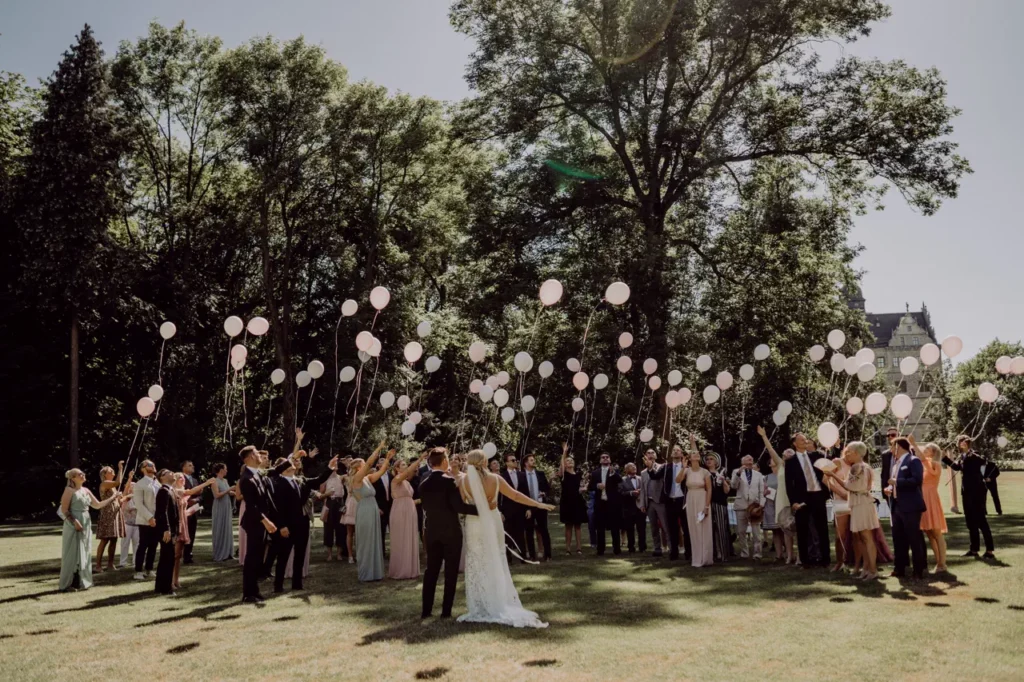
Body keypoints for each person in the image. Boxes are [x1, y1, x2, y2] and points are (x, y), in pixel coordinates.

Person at [456, 449, 552, 628]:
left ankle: (481, 603)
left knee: (477, 561)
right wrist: (537, 504)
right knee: (496, 559)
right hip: (492, 520)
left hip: (474, 524)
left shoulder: (463, 481)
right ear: (484, 462)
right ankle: (499, 599)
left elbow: (462, 503)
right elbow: (515, 496)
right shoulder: (495, 479)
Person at [269, 433, 337, 592]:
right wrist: (282, 526)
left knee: (300, 554)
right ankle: (278, 586)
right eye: (292, 462)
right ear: (285, 468)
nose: (296, 464)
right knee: (284, 555)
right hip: (287, 524)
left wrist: (330, 467)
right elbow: (277, 507)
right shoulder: (278, 483)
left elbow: (319, 480)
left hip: (302, 522)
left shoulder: (302, 480)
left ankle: (297, 584)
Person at [419, 447, 478, 618]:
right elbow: (459, 507)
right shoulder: (448, 481)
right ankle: (446, 612)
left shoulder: (423, 482)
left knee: (431, 571)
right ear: (444, 461)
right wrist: (480, 509)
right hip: (451, 532)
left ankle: (426, 611)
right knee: (450, 572)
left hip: (431, 532)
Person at [824, 441, 879, 580]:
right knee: (864, 537)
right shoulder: (866, 466)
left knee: (866, 538)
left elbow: (849, 486)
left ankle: (872, 570)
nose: (846, 453)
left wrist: (833, 475)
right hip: (863, 501)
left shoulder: (856, 467)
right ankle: (866, 569)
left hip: (860, 503)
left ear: (855, 453)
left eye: (849, 451)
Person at [59, 469, 121, 591]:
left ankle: (82, 581)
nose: (83, 475)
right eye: (80, 474)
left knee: (85, 550)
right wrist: (74, 521)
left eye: (83, 473)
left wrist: (114, 496)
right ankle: (67, 584)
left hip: (86, 522)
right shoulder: (69, 490)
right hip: (73, 523)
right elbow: (64, 509)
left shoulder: (86, 490)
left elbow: (97, 505)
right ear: (73, 478)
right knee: (72, 552)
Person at [238, 445, 279, 604]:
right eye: (256, 453)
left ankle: (255, 590)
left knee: (257, 558)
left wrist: (294, 455)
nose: (260, 455)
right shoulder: (246, 478)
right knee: (252, 558)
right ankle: (248, 594)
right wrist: (266, 521)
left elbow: (276, 470)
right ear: (249, 458)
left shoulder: (258, 474)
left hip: (260, 522)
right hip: (255, 522)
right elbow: (252, 506)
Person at [349, 441, 395, 582]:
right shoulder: (357, 479)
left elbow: (381, 472)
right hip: (364, 511)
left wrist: (387, 459)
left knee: (374, 540)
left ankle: (375, 573)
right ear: (358, 468)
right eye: (363, 463)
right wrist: (379, 448)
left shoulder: (368, 478)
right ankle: (365, 573)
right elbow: (370, 463)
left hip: (373, 510)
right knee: (366, 541)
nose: (366, 465)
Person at [943, 436, 995, 559]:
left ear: (968, 443)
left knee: (981, 521)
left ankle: (990, 550)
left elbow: (983, 461)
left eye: (964, 441)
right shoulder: (962, 457)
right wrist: (944, 458)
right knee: (970, 522)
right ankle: (974, 549)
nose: (962, 443)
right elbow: (957, 467)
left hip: (977, 492)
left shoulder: (974, 455)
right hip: (966, 493)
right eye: (960, 441)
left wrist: (971, 453)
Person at [784, 432, 830, 568]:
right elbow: (789, 484)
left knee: (822, 528)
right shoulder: (790, 462)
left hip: (817, 495)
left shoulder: (816, 456)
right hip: (802, 498)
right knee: (803, 530)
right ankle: (805, 561)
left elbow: (829, 466)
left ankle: (825, 559)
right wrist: (793, 502)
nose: (805, 441)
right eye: (802, 440)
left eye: (806, 439)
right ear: (795, 443)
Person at [886, 437, 927, 580]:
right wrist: (890, 488)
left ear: (899, 446)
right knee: (898, 538)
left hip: (910, 506)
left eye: (892, 447)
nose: (891, 450)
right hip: (897, 505)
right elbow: (895, 482)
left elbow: (917, 480)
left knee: (913, 538)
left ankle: (918, 570)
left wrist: (897, 482)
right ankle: (900, 568)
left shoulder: (913, 460)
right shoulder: (896, 464)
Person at [758, 426, 796, 564]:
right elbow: (770, 450)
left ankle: (796, 555)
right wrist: (764, 436)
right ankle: (788, 556)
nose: (787, 455)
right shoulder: (780, 465)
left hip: (793, 499)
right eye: (785, 453)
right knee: (784, 529)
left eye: (790, 453)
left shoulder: (798, 466)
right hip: (781, 499)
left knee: (794, 529)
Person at [911, 437, 947, 573]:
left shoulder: (935, 464)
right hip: (922, 499)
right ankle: (939, 563)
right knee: (929, 534)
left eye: (927, 449)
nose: (924, 450)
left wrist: (914, 443)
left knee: (937, 533)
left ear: (933, 453)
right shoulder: (922, 463)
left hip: (931, 500)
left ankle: (942, 563)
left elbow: (923, 459)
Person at [389, 452, 427, 579]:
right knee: (401, 537)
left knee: (411, 536)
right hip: (400, 510)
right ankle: (400, 569)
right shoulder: (396, 480)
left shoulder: (406, 482)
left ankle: (410, 569)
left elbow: (410, 498)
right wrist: (420, 458)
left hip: (410, 510)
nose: (406, 466)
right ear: (397, 468)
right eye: (403, 465)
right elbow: (409, 471)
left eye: (406, 464)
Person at [171, 472, 212, 590]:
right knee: (175, 555)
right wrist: (206, 483)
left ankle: (176, 580)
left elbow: (185, 507)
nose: (182, 479)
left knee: (178, 556)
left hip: (183, 522)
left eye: (183, 478)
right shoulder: (175, 491)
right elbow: (190, 492)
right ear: (174, 479)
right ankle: (170, 581)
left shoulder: (181, 492)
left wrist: (193, 510)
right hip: (176, 524)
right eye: (180, 478)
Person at [678, 434, 712, 568]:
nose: (696, 455)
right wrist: (683, 467)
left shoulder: (705, 472)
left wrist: (707, 506)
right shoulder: (686, 471)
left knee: (703, 527)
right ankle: (696, 558)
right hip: (691, 500)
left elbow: (709, 489)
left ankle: (706, 557)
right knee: (693, 528)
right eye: (693, 454)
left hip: (702, 499)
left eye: (697, 453)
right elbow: (677, 481)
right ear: (689, 458)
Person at [94, 461, 126, 573]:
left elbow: (117, 499)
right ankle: (98, 566)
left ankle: (110, 564)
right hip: (107, 513)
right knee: (105, 539)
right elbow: (118, 482)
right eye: (110, 471)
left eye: (113, 471)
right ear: (104, 474)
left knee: (114, 539)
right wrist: (120, 468)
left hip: (115, 513)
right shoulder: (105, 483)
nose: (113, 472)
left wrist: (123, 497)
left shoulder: (112, 486)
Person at [588, 452, 623, 555]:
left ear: (610, 460)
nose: (605, 459)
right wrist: (597, 486)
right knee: (600, 527)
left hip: (612, 503)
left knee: (615, 527)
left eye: (607, 457)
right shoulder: (595, 473)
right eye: (603, 457)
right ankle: (600, 550)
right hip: (600, 503)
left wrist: (613, 473)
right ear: (600, 460)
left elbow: (620, 481)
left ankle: (616, 549)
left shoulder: (614, 471)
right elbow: (590, 487)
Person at [153, 469, 181, 595]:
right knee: (168, 558)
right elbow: (161, 512)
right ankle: (166, 588)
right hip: (166, 530)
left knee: (167, 557)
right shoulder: (163, 491)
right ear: (162, 477)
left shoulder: (171, 490)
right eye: (169, 472)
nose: (172, 473)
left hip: (172, 530)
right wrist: (166, 529)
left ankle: (161, 587)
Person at [557, 444, 587, 555]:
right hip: (566, 502)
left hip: (577, 501)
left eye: (571, 460)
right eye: (567, 461)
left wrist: (584, 488)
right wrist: (564, 452)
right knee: (568, 525)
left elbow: (582, 486)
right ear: (565, 463)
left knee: (578, 526)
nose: (570, 462)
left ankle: (579, 548)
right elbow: (561, 466)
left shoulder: (579, 474)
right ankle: (568, 548)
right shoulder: (563, 474)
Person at [499, 453, 529, 560]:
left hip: (520, 509)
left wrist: (528, 508)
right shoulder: (502, 476)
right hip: (507, 509)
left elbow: (526, 492)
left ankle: (523, 556)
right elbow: (499, 495)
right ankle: (508, 558)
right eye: (512, 460)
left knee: (521, 533)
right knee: (508, 534)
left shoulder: (522, 475)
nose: (515, 461)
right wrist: (500, 512)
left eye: (515, 460)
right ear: (507, 463)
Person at [133, 459, 160, 580]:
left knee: (153, 545)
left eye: (153, 464)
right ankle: (138, 571)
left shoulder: (157, 483)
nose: (153, 466)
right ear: (143, 468)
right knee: (143, 545)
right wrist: (149, 517)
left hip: (157, 519)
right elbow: (138, 504)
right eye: (149, 465)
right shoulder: (140, 484)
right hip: (144, 520)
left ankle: (149, 569)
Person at [522, 453, 551, 561]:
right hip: (528, 507)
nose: (533, 461)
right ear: (526, 463)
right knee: (529, 531)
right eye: (531, 460)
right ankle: (532, 556)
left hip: (540, 505)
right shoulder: (521, 475)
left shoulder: (540, 474)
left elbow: (547, 488)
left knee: (544, 530)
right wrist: (526, 507)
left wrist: (544, 493)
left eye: (534, 460)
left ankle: (548, 554)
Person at [825, 454, 852, 571]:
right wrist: (840, 493)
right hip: (840, 501)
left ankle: (855, 561)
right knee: (840, 534)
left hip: (856, 501)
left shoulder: (857, 464)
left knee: (857, 533)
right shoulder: (837, 461)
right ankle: (839, 561)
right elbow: (824, 479)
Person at [640, 449, 668, 557]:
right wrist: (642, 504)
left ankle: (671, 547)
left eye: (652, 453)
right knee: (653, 527)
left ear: (655, 455)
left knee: (665, 526)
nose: (650, 455)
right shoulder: (643, 472)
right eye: (648, 453)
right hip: (649, 502)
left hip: (660, 501)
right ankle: (657, 548)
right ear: (645, 456)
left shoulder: (662, 468)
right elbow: (642, 489)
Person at [320, 459, 348, 562]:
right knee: (329, 528)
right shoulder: (324, 479)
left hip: (340, 503)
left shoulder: (341, 478)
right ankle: (329, 554)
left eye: (335, 464)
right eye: (332, 464)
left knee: (341, 528)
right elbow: (320, 495)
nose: (335, 466)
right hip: (329, 503)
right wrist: (326, 494)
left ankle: (339, 554)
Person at [210, 463, 236, 562]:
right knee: (220, 526)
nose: (227, 471)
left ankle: (228, 552)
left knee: (227, 526)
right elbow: (217, 495)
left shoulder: (225, 480)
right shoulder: (214, 481)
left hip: (226, 505)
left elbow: (229, 492)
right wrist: (229, 489)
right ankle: (220, 553)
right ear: (221, 470)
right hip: (219, 506)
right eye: (225, 469)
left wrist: (237, 492)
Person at [618, 463, 646, 553]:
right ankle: (631, 547)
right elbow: (620, 493)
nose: (634, 467)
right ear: (626, 470)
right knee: (630, 529)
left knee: (641, 528)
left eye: (634, 466)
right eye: (631, 466)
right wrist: (631, 493)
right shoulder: (622, 480)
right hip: (628, 508)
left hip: (640, 507)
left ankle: (642, 547)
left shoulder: (641, 479)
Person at [372, 448, 394, 556]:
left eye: (385, 461)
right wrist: (377, 507)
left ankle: (394, 552)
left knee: (394, 530)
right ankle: (381, 552)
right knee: (380, 531)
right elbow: (372, 494)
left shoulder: (391, 476)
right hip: (380, 507)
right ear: (378, 465)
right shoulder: (374, 477)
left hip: (391, 506)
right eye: (381, 461)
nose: (384, 462)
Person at [181, 460, 200, 564]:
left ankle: (188, 554)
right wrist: (188, 501)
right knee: (184, 531)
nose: (192, 466)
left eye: (192, 465)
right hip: (184, 508)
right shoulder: (180, 478)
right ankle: (181, 553)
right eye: (189, 465)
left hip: (195, 508)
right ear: (183, 468)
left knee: (192, 531)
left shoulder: (195, 480)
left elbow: (201, 495)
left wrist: (196, 500)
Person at [119, 479, 140, 568]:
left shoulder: (139, 497)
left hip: (137, 524)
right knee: (125, 543)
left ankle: (135, 561)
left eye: (134, 486)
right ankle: (123, 562)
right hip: (127, 523)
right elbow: (124, 508)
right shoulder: (125, 497)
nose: (132, 488)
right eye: (131, 486)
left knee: (137, 543)